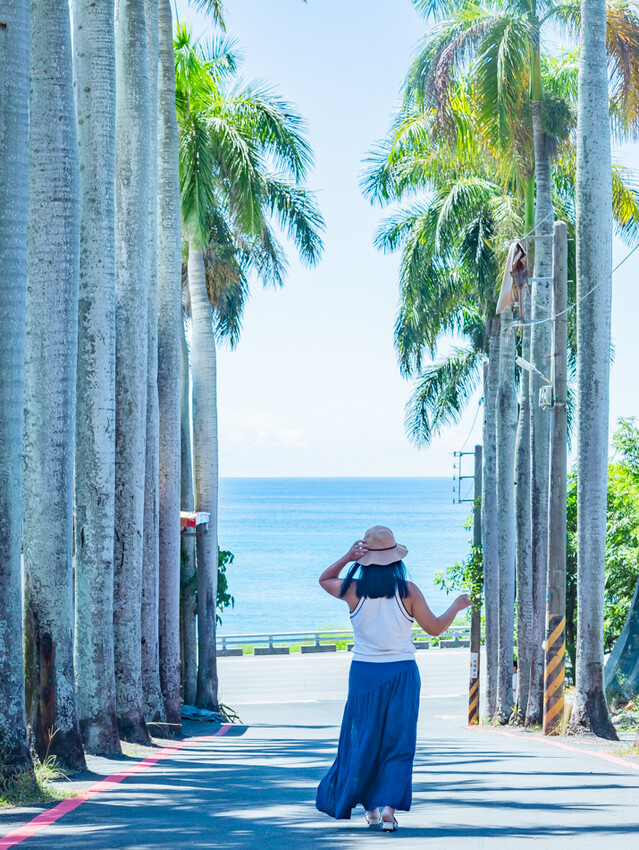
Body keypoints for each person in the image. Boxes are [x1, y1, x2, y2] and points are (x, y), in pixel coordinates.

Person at [315, 525, 471, 831]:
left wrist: (348, 556)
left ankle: (371, 807)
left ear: (365, 560)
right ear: (396, 559)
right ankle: (386, 809)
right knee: (397, 742)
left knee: (364, 740)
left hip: (364, 674)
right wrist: (455, 606)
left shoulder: (353, 589)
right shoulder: (408, 591)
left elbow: (324, 579)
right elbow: (435, 629)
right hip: (402, 673)